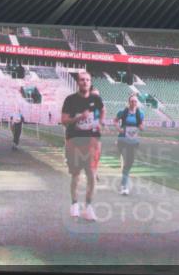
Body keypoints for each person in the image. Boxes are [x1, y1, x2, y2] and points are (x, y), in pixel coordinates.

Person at [60, 71, 105, 221]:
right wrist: (79, 117)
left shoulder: (96, 99)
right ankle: (74, 204)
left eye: (87, 80)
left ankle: (89, 207)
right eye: (82, 80)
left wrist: (99, 122)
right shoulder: (70, 100)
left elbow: (103, 110)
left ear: (90, 82)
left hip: (92, 142)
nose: (85, 82)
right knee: (76, 175)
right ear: (78, 82)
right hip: (75, 141)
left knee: (92, 175)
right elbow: (64, 120)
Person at [114, 94, 144, 195]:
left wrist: (141, 127)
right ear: (129, 102)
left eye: (135, 101)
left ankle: (124, 179)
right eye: (132, 101)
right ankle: (124, 186)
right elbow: (115, 121)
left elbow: (141, 125)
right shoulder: (123, 112)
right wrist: (119, 129)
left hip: (133, 141)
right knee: (127, 162)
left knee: (129, 163)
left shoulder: (140, 114)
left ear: (137, 103)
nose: (134, 103)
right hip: (122, 140)